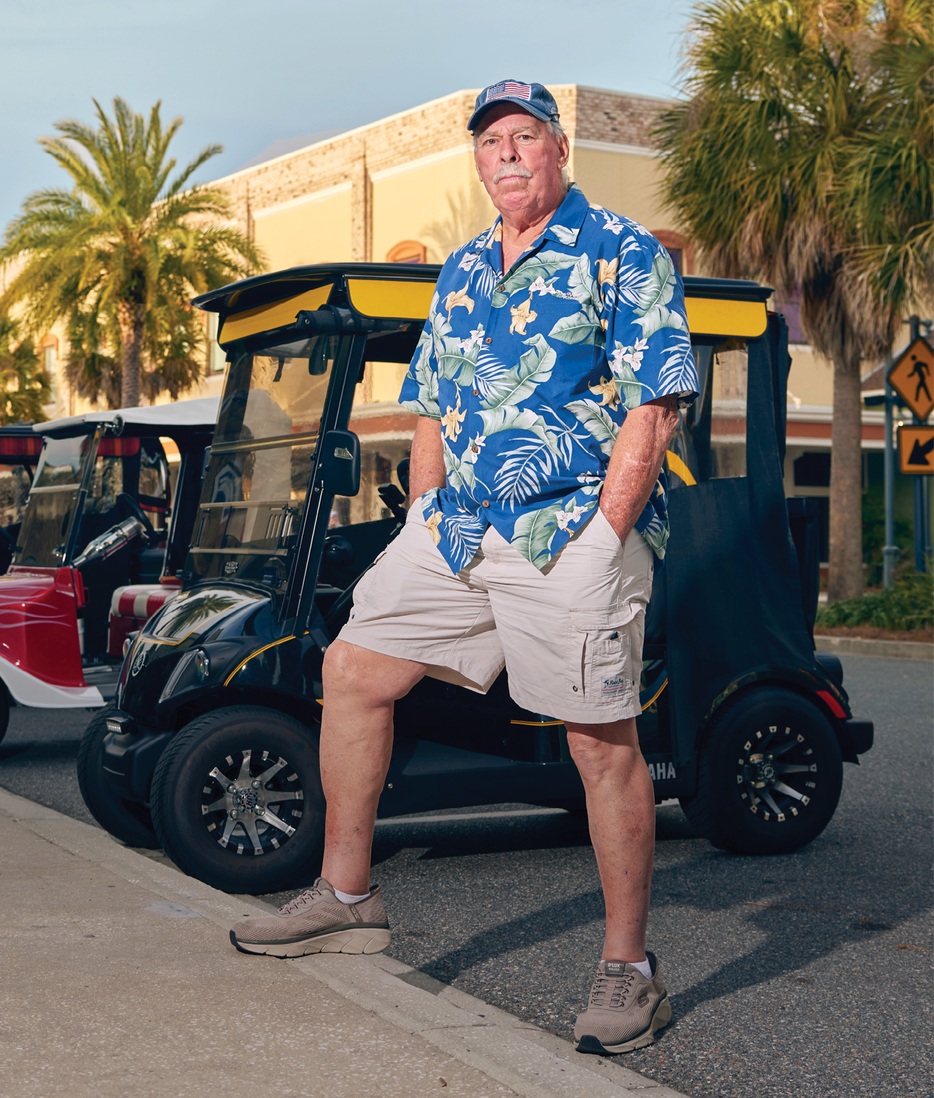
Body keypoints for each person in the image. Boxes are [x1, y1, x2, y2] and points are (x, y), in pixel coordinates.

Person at [230, 79, 698, 1057]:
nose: (508, 157)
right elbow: (432, 406)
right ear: (478, 163)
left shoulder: (622, 252)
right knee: (352, 671)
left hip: (570, 526)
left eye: (525, 137)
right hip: (460, 529)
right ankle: (348, 894)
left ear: (558, 148)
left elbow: (654, 406)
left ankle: (630, 972)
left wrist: (606, 537)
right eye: (491, 145)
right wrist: (430, 509)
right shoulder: (463, 271)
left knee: (597, 743)